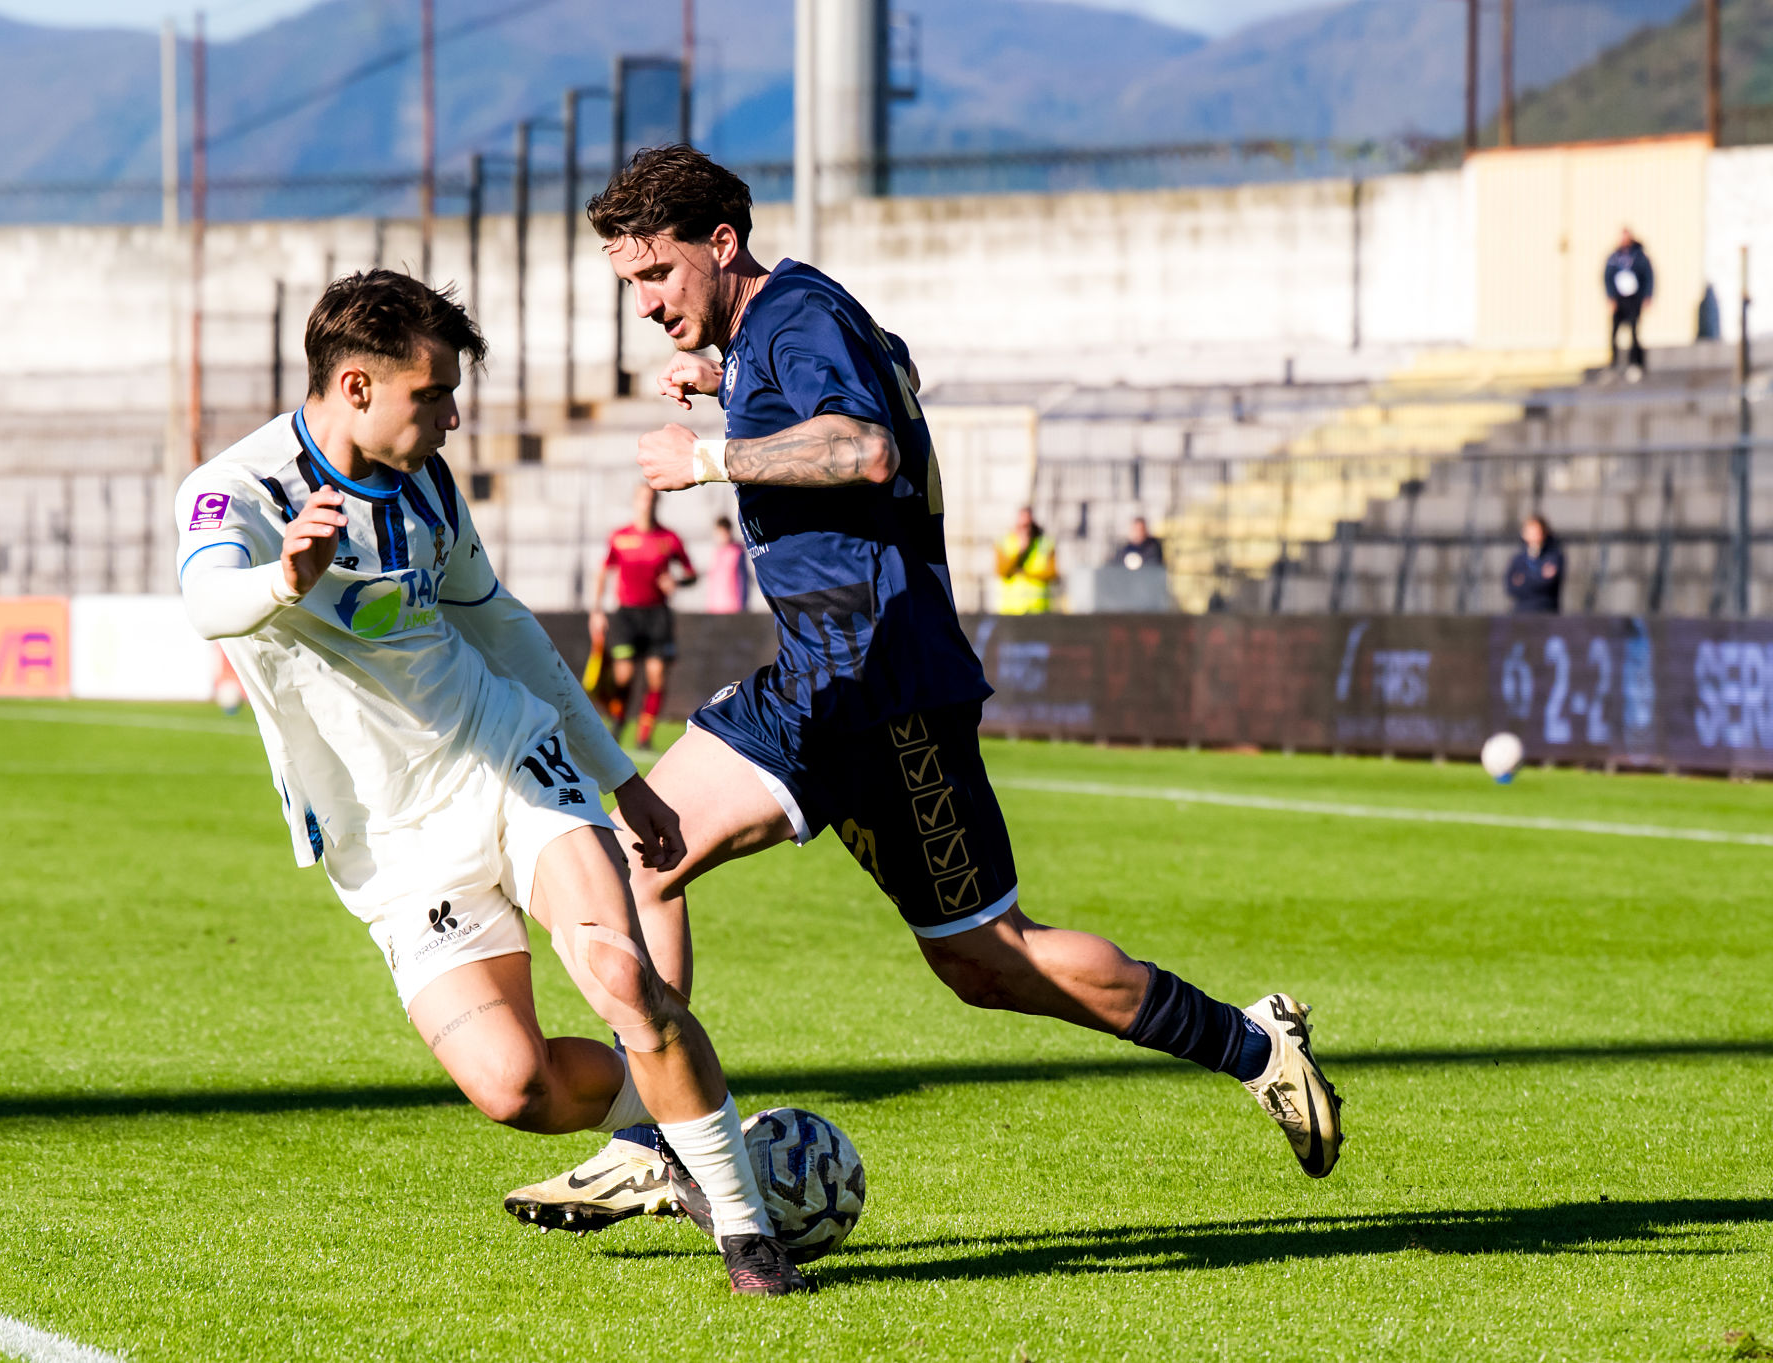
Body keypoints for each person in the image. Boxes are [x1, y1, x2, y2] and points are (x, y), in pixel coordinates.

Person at [501, 146, 1343, 1234]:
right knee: (649, 862)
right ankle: (653, 1140)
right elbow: (887, 372)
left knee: (991, 959)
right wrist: (738, 384)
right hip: (821, 678)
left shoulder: (797, 318)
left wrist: (714, 455)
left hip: (879, 687)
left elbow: (860, 447)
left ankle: (1249, 1044)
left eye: (655, 274)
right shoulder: (783, 331)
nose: (646, 304)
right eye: (630, 285)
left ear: (721, 244)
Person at [173, 269, 807, 1295]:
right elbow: (209, 599)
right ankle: (676, 1130)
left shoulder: (425, 479)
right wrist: (280, 581)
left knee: (620, 977)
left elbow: (500, 624)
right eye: (432, 396)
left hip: (506, 758)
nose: (452, 416)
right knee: (513, 1087)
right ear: (355, 386)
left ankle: (746, 1235)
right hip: (388, 837)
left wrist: (614, 772)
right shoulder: (237, 491)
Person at [592, 484, 697, 752]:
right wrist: (596, 610)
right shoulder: (620, 536)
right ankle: (617, 722)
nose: (646, 503)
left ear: (657, 503)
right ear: (635, 502)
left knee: (656, 676)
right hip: (627, 614)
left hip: (657, 616)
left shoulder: (669, 538)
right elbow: (603, 572)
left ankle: (644, 735)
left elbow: (691, 573)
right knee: (624, 675)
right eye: (642, 498)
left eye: (651, 499)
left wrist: (678, 582)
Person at [1604, 228, 1653, 379]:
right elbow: (1607, 276)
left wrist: (1647, 295)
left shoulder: (1639, 256)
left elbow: (1648, 276)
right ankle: (1614, 364)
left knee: (1633, 330)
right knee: (1614, 332)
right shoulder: (1614, 257)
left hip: (1634, 298)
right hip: (1620, 299)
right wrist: (1610, 296)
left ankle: (1635, 363)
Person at [994, 506, 1058, 615]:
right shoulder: (1004, 542)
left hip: (1038, 609)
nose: (1025, 530)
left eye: (1028, 526)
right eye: (1022, 526)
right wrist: (1020, 551)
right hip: (1012, 610)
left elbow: (1052, 573)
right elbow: (1002, 571)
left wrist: (1026, 574)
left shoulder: (1044, 543)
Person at [1505, 514, 1564, 615]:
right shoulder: (1518, 559)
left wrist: (1524, 580)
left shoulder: (1553, 556)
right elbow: (1510, 587)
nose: (1533, 536)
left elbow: (1547, 583)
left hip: (1546, 613)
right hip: (1522, 614)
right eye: (1530, 532)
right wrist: (1538, 576)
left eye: (1536, 532)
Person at [706, 515, 750, 614]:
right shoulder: (716, 553)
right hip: (716, 607)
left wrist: (742, 605)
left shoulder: (737, 552)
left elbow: (743, 579)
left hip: (733, 607)